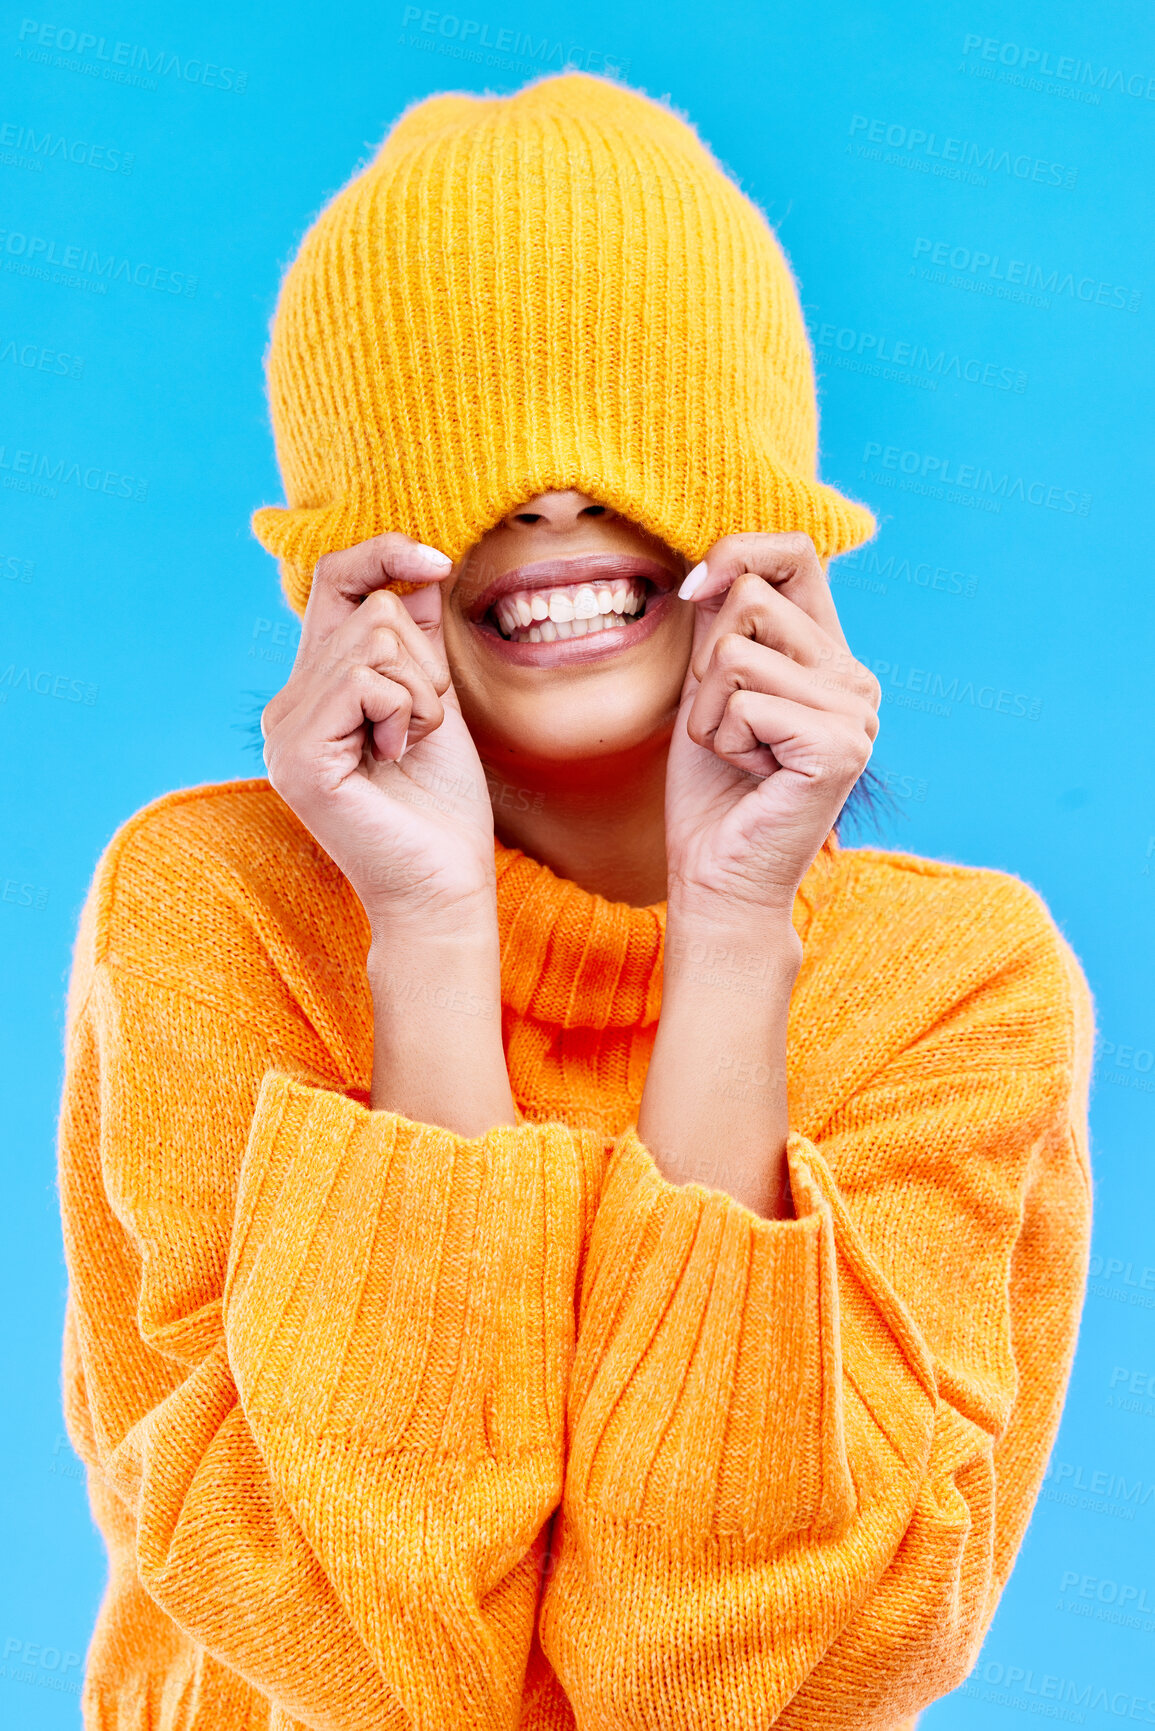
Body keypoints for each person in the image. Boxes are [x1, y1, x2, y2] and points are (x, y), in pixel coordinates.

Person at [56, 72, 1093, 1731]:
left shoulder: (958, 995)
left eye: (632, 430)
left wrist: (738, 937)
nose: (546, 497)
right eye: (462, 446)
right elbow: (385, 1663)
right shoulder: (213, 916)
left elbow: (723, 1691)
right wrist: (431, 936)